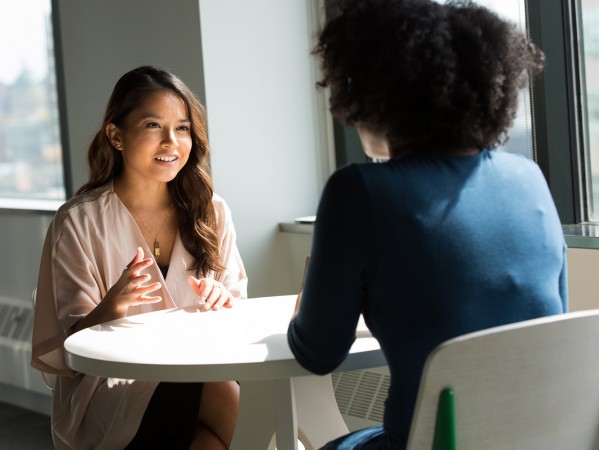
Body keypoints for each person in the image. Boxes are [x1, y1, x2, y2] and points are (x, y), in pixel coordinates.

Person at [287, 0, 568, 448]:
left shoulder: (359, 190)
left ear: (375, 94)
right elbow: (549, 325)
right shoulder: (529, 180)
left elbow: (318, 353)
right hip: (541, 438)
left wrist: (307, 308)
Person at [31, 65, 248, 450]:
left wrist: (222, 299)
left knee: (216, 415)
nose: (172, 142)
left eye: (182, 128)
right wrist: (111, 307)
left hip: (199, 370)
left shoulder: (211, 211)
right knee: (223, 395)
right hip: (109, 389)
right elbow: (70, 351)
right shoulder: (78, 221)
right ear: (116, 136)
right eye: (153, 126)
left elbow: (237, 312)